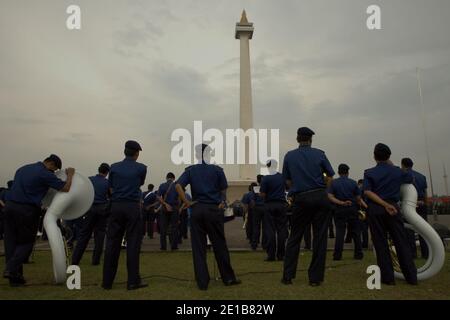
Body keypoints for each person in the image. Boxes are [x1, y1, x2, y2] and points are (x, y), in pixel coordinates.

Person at [175, 144, 240, 290]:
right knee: (219, 245)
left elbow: (178, 186)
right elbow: (223, 190)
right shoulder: (217, 170)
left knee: (198, 248)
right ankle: (228, 278)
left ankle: (202, 282)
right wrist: (222, 202)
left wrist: (187, 202)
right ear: (209, 154)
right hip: (213, 209)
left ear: (197, 155)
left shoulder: (190, 170)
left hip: (197, 209)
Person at [3, 155, 74, 286]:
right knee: (27, 242)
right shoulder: (45, 174)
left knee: (11, 243)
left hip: (9, 207)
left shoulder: (22, 169)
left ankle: (15, 278)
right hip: (26, 210)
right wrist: (70, 174)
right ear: (51, 164)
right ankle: (10, 268)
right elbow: (66, 188)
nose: (53, 172)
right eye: (54, 170)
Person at [281, 127, 335, 286]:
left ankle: (288, 276)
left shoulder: (289, 156)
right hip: (319, 196)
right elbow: (331, 175)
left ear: (297, 139)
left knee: (295, 237)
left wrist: (297, 187)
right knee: (320, 238)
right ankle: (315, 278)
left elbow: (287, 180)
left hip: (301, 198)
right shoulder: (319, 154)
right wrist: (325, 189)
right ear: (311, 140)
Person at [363, 143, 417, 285]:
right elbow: (411, 178)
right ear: (389, 156)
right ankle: (411, 277)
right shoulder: (397, 171)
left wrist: (383, 205)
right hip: (393, 207)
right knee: (401, 242)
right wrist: (392, 165)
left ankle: (388, 278)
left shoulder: (368, 172)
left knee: (380, 244)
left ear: (374, 156)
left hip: (376, 209)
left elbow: (367, 191)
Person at [102, 140, 147, 290]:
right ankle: (133, 281)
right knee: (133, 244)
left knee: (112, 243)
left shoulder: (113, 168)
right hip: (132, 207)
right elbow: (139, 183)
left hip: (116, 206)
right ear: (136, 153)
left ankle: (107, 282)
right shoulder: (141, 168)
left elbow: (112, 186)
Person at [72, 163, 111, 266]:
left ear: (99, 169)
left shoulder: (89, 180)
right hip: (102, 209)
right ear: (107, 172)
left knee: (84, 234)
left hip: (90, 208)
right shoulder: (108, 182)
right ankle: (96, 260)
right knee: (100, 235)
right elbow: (111, 196)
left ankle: (75, 259)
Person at [328, 164, 367, 261]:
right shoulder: (353, 183)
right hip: (352, 209)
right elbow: (358, 199)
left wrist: (341, 202)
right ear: (348, 172)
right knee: (356, 232)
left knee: (340, 233)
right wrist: (366, 206)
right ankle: (358, 254)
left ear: (338, 172)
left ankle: (337, 255)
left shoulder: (334, 183)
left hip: (340, 209)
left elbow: (330, 197)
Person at [260, 160, 288, 261]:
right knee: (281, 230)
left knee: (270, 231)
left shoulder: (265, 179)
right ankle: (281, 255)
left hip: (269, 205)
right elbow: (287, 188)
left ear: (268, 167)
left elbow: (263, 194)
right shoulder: (282, 177)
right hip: (281, 204)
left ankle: (271, 255)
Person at [401, 157, 429, 259]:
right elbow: (425, 192)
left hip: (410, 202)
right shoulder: (422, 176)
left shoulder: (404, 176)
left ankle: (412, 254)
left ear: (403, 165)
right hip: (422, 203)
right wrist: (425, 203)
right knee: (423, 229)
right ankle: (425, 253)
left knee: (409, 230)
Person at [157, 172, 180, 251]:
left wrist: (165, 204)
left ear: (166, 178)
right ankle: (174, 246)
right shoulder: (177, 185)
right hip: (174, 207)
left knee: (163, 228)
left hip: (164, 208)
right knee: (174, 228)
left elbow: (158, 197)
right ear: (174, 178)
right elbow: (180, 197)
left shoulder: (162, 185)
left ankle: (163, 247)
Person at [251, 175, 266, 250]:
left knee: (256, 227)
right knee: (265, 227)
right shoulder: (266, 188)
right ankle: (265, 244)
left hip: (257, 208)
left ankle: (254, 244)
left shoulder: (255, 188)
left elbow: (252, 201)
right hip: (265, 208)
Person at [358, 179, 370, 249]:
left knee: (363, 228)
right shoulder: (372, 188)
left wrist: (365, 206)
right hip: (372, 209)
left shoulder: (361, 188)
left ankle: (364, 243)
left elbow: (359, 199)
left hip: (363, 210)